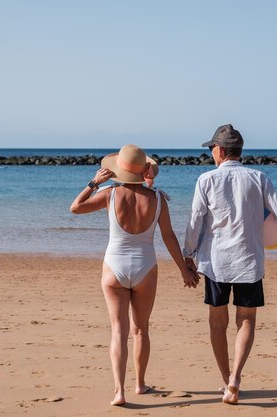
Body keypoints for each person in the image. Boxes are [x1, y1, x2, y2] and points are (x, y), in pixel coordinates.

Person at [70, 144, 199, 406]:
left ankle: (119, 391)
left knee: (119, 331)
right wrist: (184, 270)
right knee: (140, 331)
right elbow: (169, 237)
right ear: (144, 171)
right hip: (145, 269)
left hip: (113, 269)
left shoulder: (109, 194)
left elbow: (76, 207)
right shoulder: (159, 199)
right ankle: (140, 384)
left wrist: (93, 182)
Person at [183, 124, 277, 405]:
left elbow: (195, 222)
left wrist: (188, 255)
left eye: (212, 148)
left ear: (221, 150)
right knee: (246, 320)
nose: (211, 153)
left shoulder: (206, 180)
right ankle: (236, 377)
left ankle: (226, 381)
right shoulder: (259, 178)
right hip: (249, 262)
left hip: (216, 263)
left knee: (217, 323)